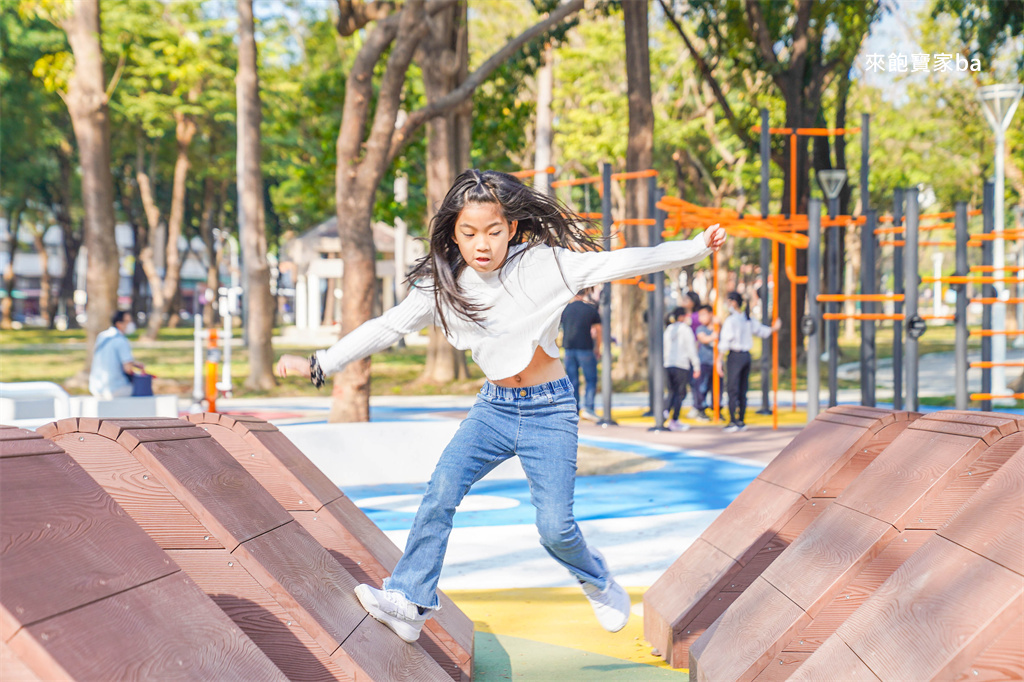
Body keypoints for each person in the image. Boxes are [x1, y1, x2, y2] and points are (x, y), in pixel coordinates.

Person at [277, 169, 726, 643]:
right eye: (469, 233)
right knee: (441, 491)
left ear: (511, 228)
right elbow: (387, 326)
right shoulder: (442, 285)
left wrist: (694, 248)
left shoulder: (543, 265)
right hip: (492, 409)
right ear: (453, 232)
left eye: (493, 231)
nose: (482, 244)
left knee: (555, 528)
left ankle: (596, 578)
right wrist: (321, 362)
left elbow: (619, 262)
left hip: (549, 410)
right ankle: (409, 600)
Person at [716, 291, 780, 432]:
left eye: (728, 301)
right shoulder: (747, 319)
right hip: (746, 356)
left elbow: (725, 341)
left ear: (733, 302)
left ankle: (733, 421)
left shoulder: (732, 320)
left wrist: (719, 360)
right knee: (742, 389)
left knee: (732, 389)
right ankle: (741, 420)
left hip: (735, 356)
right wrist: (774, 328)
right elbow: (762, 331)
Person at [560, 288, 601, 420]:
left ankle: (574, 409)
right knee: (591, 379)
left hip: (569, 348)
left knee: (572, 381)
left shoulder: (565, 309)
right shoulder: (590, 309)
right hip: (585, 348)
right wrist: (598, 347)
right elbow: (598, 329)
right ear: (586, 293)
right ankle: (589, 408)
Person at [89, 310, 145, 399]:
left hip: (95, 388)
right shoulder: (121, 341)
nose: (130, 324)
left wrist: (134, 364)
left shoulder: (102, 336)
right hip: (115, 388)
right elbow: (128, 368)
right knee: (142, 390)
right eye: (127, 321)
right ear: (119, 323)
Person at [663, 307, 700, 431]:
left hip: (668, 364)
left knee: (671, 391)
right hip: (681, 364)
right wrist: (696, 365)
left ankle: (665, 412)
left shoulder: (668, 329)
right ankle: (674, 419)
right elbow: (691, 348)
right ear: (682, 316)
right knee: (680, 393)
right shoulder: (686, 330)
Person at [693, 304, 717, 420]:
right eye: (699, 316)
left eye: (703, 315)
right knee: (702, 387)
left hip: (716, 363)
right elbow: (704, 339)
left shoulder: (717, 327)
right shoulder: (701, 329)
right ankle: (701, 409)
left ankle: (717, 408)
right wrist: (714, 336)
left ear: (711, 314)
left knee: (716, 388)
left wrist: (718, 325)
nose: (700, 318)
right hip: (704, 362)